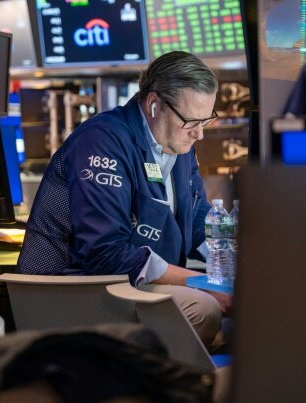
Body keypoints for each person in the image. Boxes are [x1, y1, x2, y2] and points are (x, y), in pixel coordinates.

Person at [17, 51, 229, 349]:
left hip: (127, 283)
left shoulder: (178, 145)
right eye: (191, 121)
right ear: (154, 104)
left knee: (245, 313)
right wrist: (201, 283)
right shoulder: (102, 140)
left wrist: (237, 264)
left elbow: (197, 219)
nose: (199, 134)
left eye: (206, 120)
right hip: (72, 286)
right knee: (202, 308)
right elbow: (106, 253)